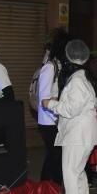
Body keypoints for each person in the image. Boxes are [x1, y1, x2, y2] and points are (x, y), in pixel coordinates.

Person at [42, 39, 97, 194]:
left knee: (70, 173)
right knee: (78, 172)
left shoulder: (76, 80)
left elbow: (70, 109)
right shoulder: (86, 78)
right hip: (84, 131)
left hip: (78, 132)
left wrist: (49, 104)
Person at [36, 29, 70, 185]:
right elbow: (44, 98)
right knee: (54, 157)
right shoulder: (50, 67)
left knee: (55, 157)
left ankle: (52, 192)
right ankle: (46, 192)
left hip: (55, 118)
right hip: (49, 121)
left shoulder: (58, 65)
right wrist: (57, 116)